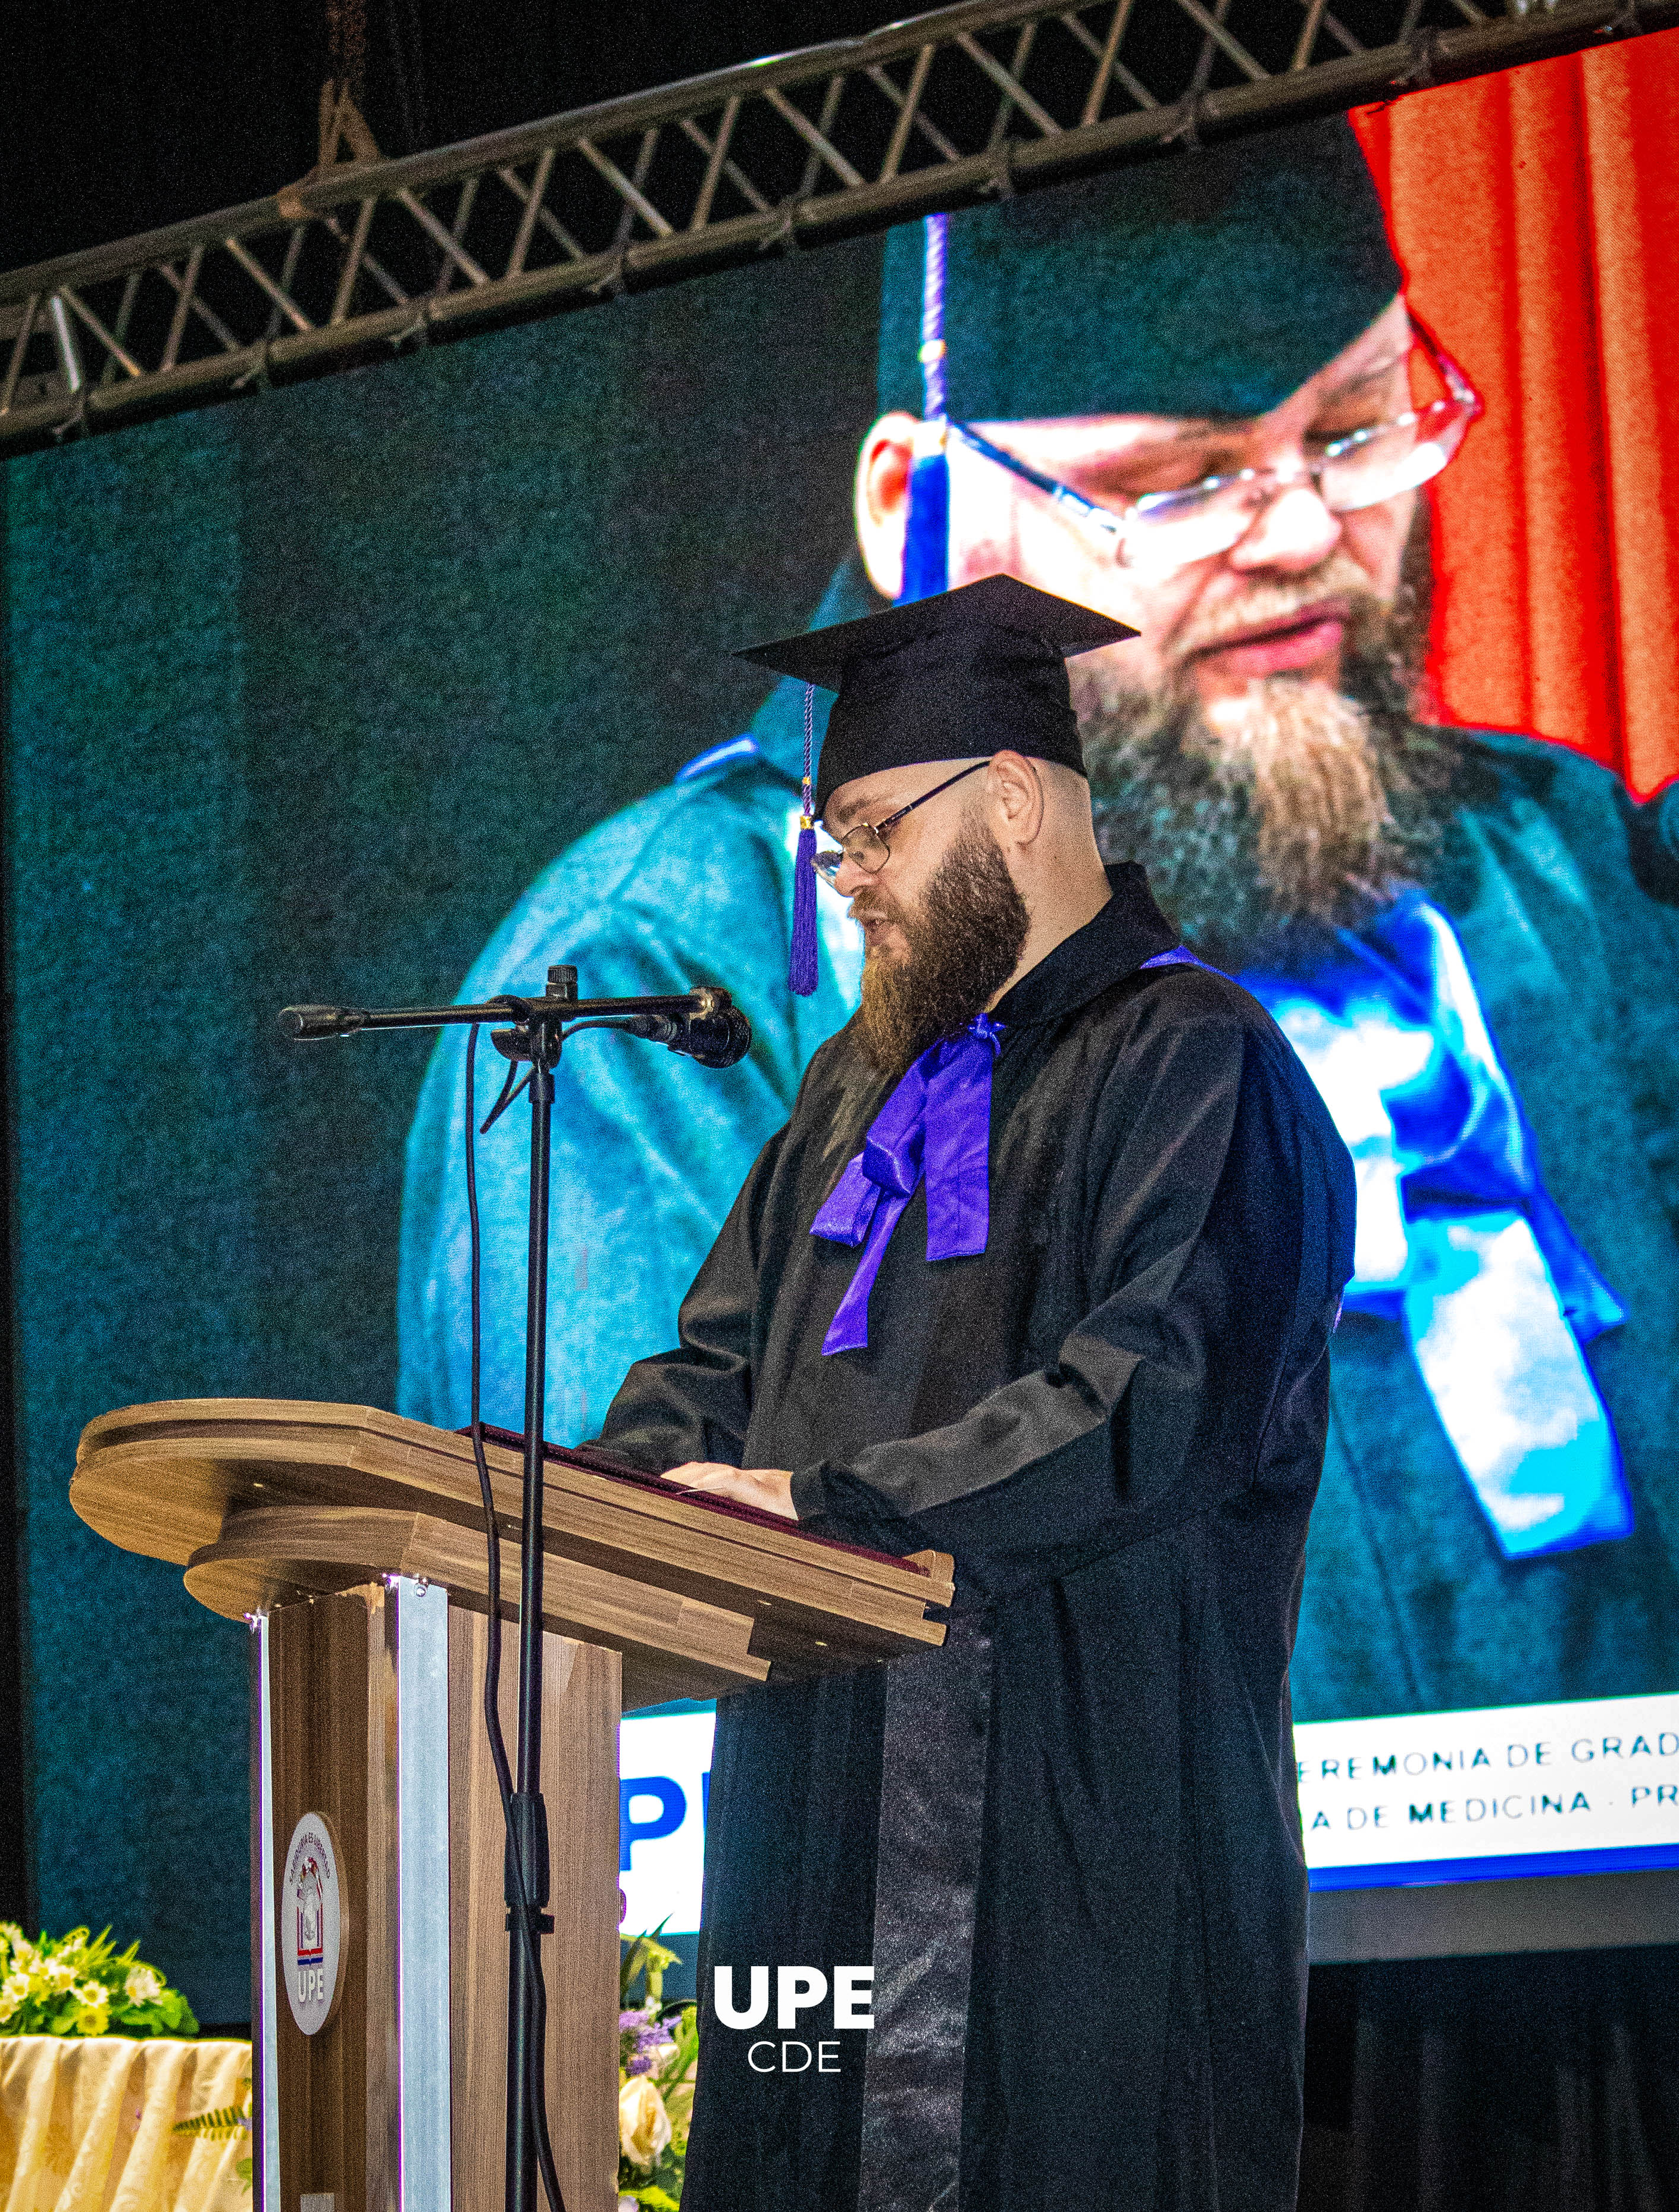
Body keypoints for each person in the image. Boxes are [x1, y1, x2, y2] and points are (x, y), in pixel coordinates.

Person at [398, 114, 1679, 1724]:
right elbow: (637, 1664)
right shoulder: (666, 988)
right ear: (914, 502)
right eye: (1182, 482)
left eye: (1357, 434)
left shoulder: (1548, 864)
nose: (1304, 537)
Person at [593, 571, 1358, 2211]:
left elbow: (1146, 1407)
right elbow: (715, 1373)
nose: (852, 881)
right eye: (835, 847)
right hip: (811, 1830)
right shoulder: (850, 1092)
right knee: (788, 2150)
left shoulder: (1196, 1063)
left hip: (1081, 1843)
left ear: (1011, 797)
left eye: (873, 832)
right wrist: (559, 1511)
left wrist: (825, 1508)